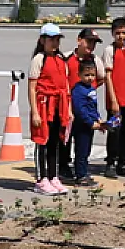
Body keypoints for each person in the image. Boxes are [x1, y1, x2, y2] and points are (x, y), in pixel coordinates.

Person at [27, 23, 70, 196]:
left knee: (55, 142)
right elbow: (32, 87)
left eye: (57, 39)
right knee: (42, 142)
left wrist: (69, 110)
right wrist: (35, 111)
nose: (55, 43)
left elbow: (65, 87)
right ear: (42, 40)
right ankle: (41, 179)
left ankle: (53, 176)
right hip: (44, 105)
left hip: (59, 106)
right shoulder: (39, 59)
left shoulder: (61, 60)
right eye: (51, 39)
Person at [62, 28, 102, 179]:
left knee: (83, 144)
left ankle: (80, 171)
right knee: (66, 141)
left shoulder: (95, 60)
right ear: (79, 40)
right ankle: (64, 167)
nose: (91, 46)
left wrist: (87, 92)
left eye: (94, 43)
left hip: (85, 110)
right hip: (69, 107)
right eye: (88, 41)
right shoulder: (66, 59)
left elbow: (101, 78)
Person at [101, 17, 125, 178]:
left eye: (124, 33)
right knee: (114, 132)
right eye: (118, 33)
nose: (121, 36)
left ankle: (123, 163)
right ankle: (111, 163)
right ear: (112, 34)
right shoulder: (110, 51)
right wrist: (114, 100)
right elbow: (108, 76)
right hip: (116, 101)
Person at [70, 60, 105, 188]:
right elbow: (80, 110)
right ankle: (80, 176)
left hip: (90, 124)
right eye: (86, 75)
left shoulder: (91, 88)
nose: (90, 78)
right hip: (82, 125)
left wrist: (99, 119)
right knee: (81, 150)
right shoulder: (78, 90)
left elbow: (92, 107)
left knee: (87, 151)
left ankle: (84, 172)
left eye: (92, 75)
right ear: (79, 75)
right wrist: (90, 122)